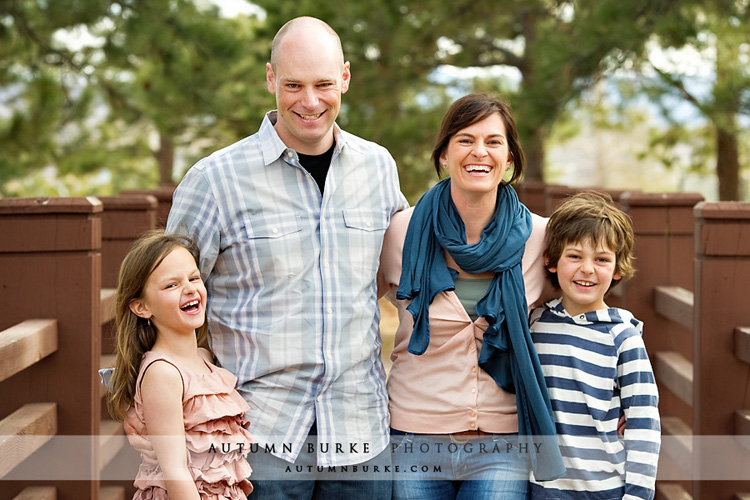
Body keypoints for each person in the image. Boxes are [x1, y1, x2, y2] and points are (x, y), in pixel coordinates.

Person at [165, 16, 408, 499]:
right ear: (271, 79)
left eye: (323, 84)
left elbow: (392, 270)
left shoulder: (378, 168)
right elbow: (167, 296)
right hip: (258, 435)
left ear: (345, 78)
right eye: (294, 85)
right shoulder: (215, 180)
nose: (311, 101)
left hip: (361, 430)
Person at [378, 93, 564, 500]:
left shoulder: (541, 238)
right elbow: (349, 317)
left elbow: (585, 303)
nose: (479, 151)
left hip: (504, 441)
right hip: (414, 438)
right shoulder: (400, 232)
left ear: (510, 159)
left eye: (494, 142)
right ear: (443, 155)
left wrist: (611, 394)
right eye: (465, 139)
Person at [529, 191, 661, 499]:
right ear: (551, 261)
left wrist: (638, 494)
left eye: (601, 259)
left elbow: (644, 422)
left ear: (617, 269)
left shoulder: (622, 337)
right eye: (574, 256)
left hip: (605, 489)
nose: (587, 269)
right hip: (542, 488)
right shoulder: (534, 325)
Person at [107, 230, 254, 500]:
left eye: (194, 277)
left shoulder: (205, 359)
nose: (189, 288)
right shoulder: (162, 373)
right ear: (141, 307)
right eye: (171, 285)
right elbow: (175, 470)